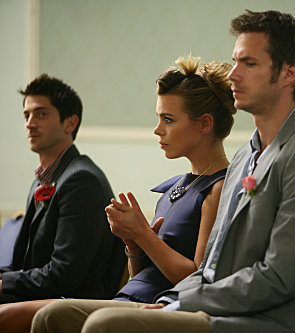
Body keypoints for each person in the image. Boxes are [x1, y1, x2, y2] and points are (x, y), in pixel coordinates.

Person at [31, 9, 295, 333]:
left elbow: (279, 277)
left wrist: (181, 302)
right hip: (215, 305)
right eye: (236, 61)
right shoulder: (245, 156)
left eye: (249, 63)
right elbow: (211, 265)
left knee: (104, 325)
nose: (233, 75)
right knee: (51, 317)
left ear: (288, 73)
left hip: (264, 320)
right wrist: (172, 298)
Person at [0, 56, 236, 333]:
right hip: (132, 296)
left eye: (168, 119)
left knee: (25, 316)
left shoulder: (218, 188)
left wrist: (144, 235)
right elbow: (142, 275)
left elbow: (199, 277)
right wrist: (134, 245)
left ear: (204, 124)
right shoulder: (173, 188)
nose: (157, 129)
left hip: (162, 304)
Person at [0, 74, 116, 305]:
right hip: (42, 293)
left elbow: (64, 276)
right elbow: (23, 264)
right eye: (27, 115)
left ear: (70, 123)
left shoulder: (81, 180)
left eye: (41, 114)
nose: (30, 123)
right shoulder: (44, 178)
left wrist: (5, 283)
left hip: (70, 301)